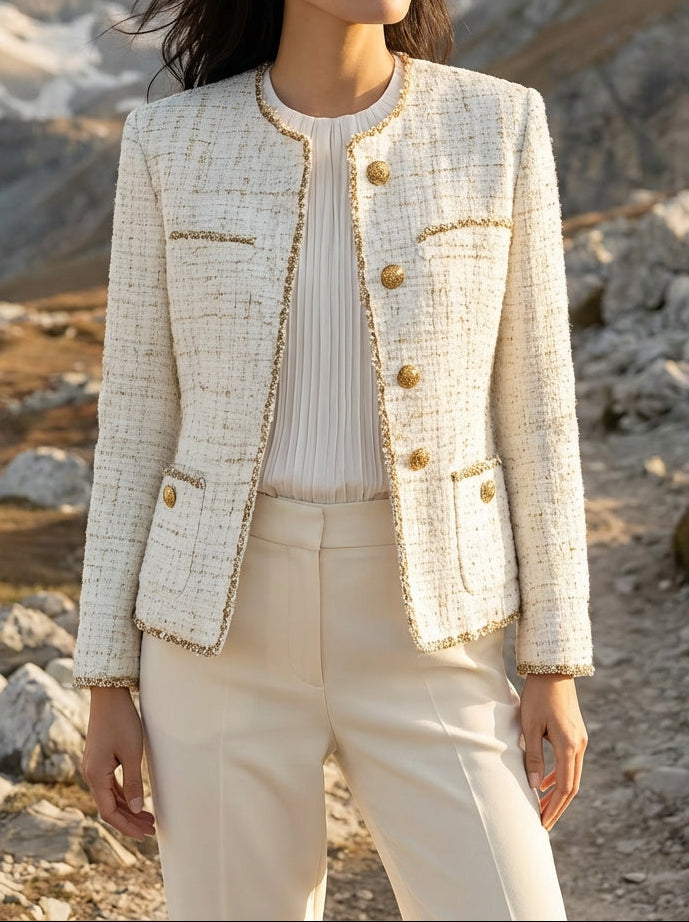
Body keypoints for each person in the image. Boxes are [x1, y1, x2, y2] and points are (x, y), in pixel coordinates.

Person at [72, 2, 594, 920]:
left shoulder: (498, 123)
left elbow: (539, 414)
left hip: (432, 630)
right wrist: (107, 677)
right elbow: (137, 424)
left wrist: (553, 657)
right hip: (216, 638)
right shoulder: (168, 142)